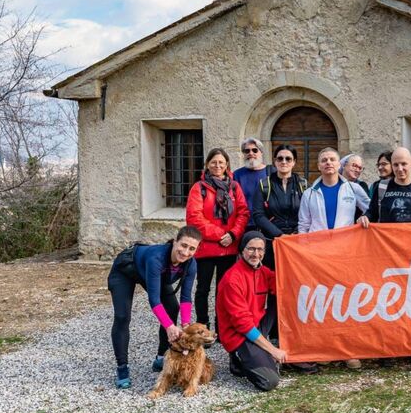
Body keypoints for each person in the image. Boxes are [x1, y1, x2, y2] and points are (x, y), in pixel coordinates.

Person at [299, 147, 371, 370]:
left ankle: (350, 351)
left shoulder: (353, 188)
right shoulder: (309, 193)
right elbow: (303, 225)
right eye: (324, 160)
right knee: (325, 302)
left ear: (339, 164)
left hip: (345, 253)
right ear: (318, 166)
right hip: (320, 255)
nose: (328, 163)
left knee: (347, 301)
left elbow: (371, 209)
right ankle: (327, 348)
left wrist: (365, 218)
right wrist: (303, 253)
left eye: (332, 159)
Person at [107, 226, 201, 389]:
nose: (186, 252)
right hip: (125, 270)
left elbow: (186, 297)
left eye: (192, 248)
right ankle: (122, 368)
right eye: (183, 245)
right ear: (175, 241)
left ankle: (160, 357)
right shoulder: (156, 258)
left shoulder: (191, 264)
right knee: (122, 316)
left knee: (172, 307)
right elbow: (154, 299)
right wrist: (169, 326)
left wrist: (186, 324)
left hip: (151, 273)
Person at [185, 148, 249, 339]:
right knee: (203, 289)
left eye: (221, 163)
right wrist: (222, 234)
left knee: (224, 290)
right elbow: (194, 218)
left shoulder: (235, 187)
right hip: (206, 249)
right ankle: (203, 327)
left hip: (229, 249)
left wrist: (234, 234)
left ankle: (222, 327)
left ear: (227, 165)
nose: (217, 166)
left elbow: (243, 213)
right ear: (207, 165)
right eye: (214, 162)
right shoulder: (199, 188)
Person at [214, 231, 287, 391]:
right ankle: (237, 358)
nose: (256, 254)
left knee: (281, 296)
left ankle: (259, 351)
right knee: (270, 381)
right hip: (238, 334)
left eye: (260, 249)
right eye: (251, 249)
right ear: (242, 251)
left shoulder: (263, 271)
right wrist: (272, 350)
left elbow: (283, 286)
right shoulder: (232, 280)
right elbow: (243, 325)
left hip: (256, 324)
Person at [251, 144, 307, 270]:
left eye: (288, 159)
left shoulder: (303, 185)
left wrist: (295, 233)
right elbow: (258, 215)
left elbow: (309, 214)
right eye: (280, 158)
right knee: (272, 282)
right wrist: (280, 235)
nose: (284, 162)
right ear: (275, 161)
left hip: (297, 241)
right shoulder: (264, 185)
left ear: (294, 162)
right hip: (272, 241)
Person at [359, 146, 411, 224]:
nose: (400, 169)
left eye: (404, 164)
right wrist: (364, 218)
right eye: (395, 165)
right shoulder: (381, 187)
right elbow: (372, 214)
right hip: (386, 236)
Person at [233, 137, 270, 229]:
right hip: (245, 224)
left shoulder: (271, 173)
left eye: (254, 150)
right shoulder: (237, 175)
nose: (251, 153)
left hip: (269, 224)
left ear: (261, 152)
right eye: (247, 151)